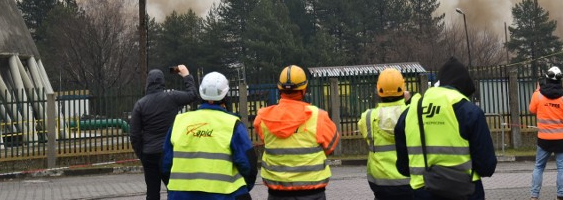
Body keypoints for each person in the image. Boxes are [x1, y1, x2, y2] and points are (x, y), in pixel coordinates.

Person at [395, 56, 497, 200]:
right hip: (464, 191)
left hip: (422, 191)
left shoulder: (410, 111)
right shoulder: (469, 111)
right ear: (463, 87)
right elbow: (486, 166)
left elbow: (403, 167)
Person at [162, 71, 257, 200]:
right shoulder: (232, 124)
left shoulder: (179, 121)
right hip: (223, 196)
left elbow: (165, 164)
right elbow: (248, 165)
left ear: (201, 94)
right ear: (225, 95)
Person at [254, 65, 340, 200]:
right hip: (312, 193)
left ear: (279, 88)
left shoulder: (263, 119)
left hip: (278, 193)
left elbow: (268, 141)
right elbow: (330, 147)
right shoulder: (319, 117)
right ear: (304, 89)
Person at [130, 65, 199, 200]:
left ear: (147, 83)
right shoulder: (172, 97)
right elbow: (193, 95)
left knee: (152, 193)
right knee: (173, 190)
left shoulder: (140, 104)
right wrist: (186, 76)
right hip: (168, 153)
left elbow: (134, 135)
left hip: (149, 154)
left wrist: (142, 154)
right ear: (162, 82)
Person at [358, 68, 413, 199]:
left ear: (378, 90)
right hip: (410, 182)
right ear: (403, 89)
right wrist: (409, 102)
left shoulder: (368, 117)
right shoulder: (413, 113)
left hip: (381, 185)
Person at [529, 66, 563, 200]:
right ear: (560, 81)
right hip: (562, 139)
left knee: (539, 167)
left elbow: (532, 110)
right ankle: (560, 196)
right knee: (562, 169)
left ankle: (534, 196)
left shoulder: (538, 95)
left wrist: (536, 92)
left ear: (546, 79)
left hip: (544, 139)